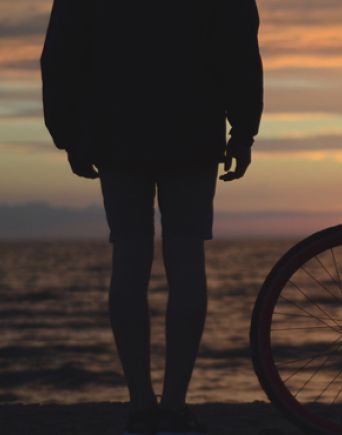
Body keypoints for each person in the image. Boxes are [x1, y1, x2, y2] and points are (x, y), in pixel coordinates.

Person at [41, 1, 263, 433]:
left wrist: (67, 134)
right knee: (185, 260)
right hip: (191, 130)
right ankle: (174, 403)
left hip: (114, 131)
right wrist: (243, 129)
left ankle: (142, 404)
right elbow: (239, 47)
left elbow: (60, 53)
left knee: (129, 258)